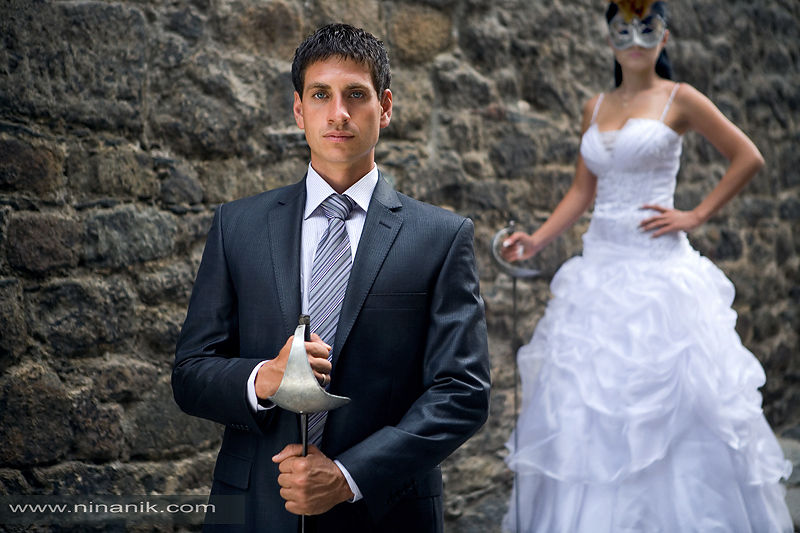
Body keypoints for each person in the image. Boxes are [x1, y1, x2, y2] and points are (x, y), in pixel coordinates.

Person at [172, 23, 490, 532]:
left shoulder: (441, 236)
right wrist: (262, 378)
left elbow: (463, 392)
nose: (338, 112)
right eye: (321, 94)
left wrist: (347, 476)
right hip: (254, 508)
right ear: (299, 110)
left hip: (386, 513)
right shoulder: (237, 226)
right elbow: (190, 374)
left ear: (385, 107)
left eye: (356, 95)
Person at [500, 1, 793, 531]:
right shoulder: (594, 106)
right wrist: (536, 241)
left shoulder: (681, 98)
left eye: (646, 28)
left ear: (664, 37)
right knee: (589, 405)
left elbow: (748, 156)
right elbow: (582, 190)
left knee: (672, 403)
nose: (634, 40)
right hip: (598, 273)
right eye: (622, 29)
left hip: (660, 275)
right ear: (609, 38)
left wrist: (695, 214)